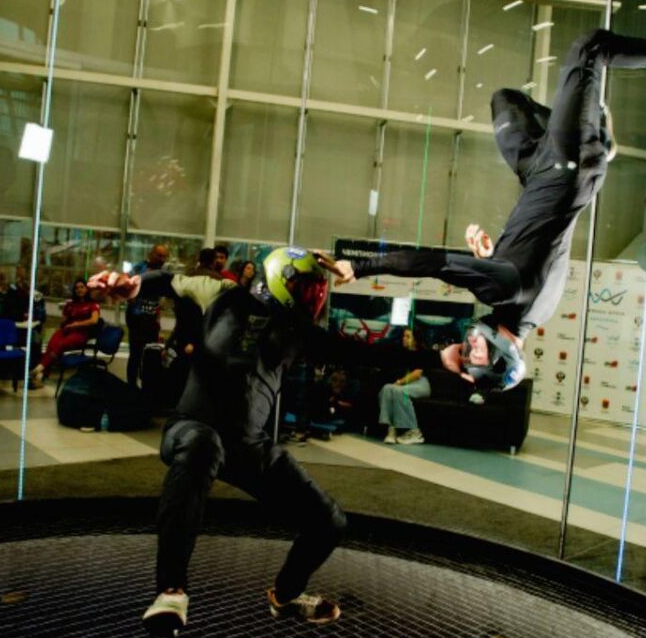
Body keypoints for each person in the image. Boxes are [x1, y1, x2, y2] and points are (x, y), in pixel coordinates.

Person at [331, 30, 646, 392]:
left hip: (536, 171)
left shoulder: (530, 311)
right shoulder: (507, 292)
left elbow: (540, 249)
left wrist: (492, 257)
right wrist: (360, 267)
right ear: (502, 354)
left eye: (466, 351)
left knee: (506, 101)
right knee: (591, 48)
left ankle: (597, 134)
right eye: (475, 353)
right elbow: (430, 263)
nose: (469, 344)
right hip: (568, 165)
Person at [87, 247, 439, 636]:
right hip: (191, 430)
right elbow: (173, 281)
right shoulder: (225, 295)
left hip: (247, 447)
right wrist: (134, 284)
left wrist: (441, 359)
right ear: (278, 278)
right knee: (205, 444)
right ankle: (171, 592)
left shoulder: (299, 331)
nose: (311, 299)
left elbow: (362, 352)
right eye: (305, 289)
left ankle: (286, 595)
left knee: (329, 522)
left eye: (316, 292)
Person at [29, 278, 100, 388]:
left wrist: (76, 324)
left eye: (82, 287)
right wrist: (64, 316)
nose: (79, 290)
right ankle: (40, 376)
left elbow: (94, 320)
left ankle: (37, 370)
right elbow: (64, 320)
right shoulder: (70, 304)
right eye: (77, 288)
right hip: (67, 330)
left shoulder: (92, 304)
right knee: (51, 345)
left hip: (80, 333)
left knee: (60, 345)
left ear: (87, 289)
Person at [378, 327, 429, 445]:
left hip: (421, 383)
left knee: (399, 391)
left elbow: (417, 374)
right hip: (405, 383)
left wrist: (399, 382)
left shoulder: (422, 354)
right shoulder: (401, 353)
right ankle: (391, 429)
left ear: (415, 340)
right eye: (404, 336)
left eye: (408, 337)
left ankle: (415, 431)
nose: (404, 339)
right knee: (386, 388)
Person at [126, 244, 169, 386]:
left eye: (164, 256)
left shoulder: (164, 273)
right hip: (137, 318)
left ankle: (147, 388)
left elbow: (162, 299)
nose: (162, 259)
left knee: (150, 355)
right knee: (135, 355)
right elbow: (127, 289)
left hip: (152, 319)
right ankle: (131, 388)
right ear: (151, 254)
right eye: (159, 255)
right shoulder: (138, 268)